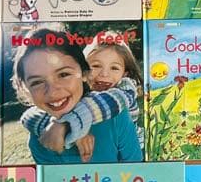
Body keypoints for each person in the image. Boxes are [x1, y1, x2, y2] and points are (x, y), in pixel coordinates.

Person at [11, 27, 142, 164]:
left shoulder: (121, 99)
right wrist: (65, 129)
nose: (53, 91)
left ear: (84, 72)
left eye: (63, 74)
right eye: (37, 82)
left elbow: (110, 101)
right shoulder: (39, 140)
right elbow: (28, 116)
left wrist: (69, 124)